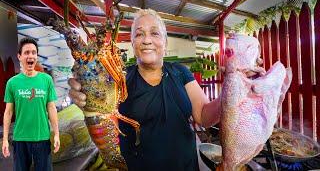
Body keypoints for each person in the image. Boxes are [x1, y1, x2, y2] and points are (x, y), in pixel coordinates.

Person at [68, 9, 263, 170]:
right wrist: (84, 95)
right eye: (139, 34)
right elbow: (100, 109)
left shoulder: (180, 72)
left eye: (154, 33)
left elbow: (204, 116)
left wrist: (236, 86)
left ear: (165, 41)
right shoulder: (119, 78)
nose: (146, 40)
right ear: (133, 43)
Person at [2, 37, 60, 171]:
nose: (31, 56)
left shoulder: (46, 80)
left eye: (34, 53)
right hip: (20, 139)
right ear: (19, 56)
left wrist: (56, 133)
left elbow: (51, 108)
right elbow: (8, 112)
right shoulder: (12, 83)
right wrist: (5, 139)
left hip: (42, 137)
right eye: (27, 52)